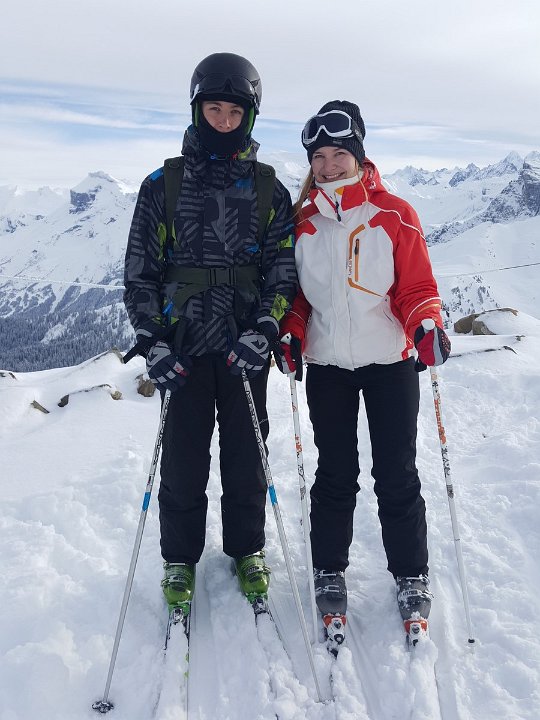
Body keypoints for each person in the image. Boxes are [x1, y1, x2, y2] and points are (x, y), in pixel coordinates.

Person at [123, 53, 298, 617]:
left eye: (234, 112)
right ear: (197, 110)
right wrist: (152, 340)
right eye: (214, 109)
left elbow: (283, 272)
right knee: (182, 459)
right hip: (182, 347)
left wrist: (265, 328)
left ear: (250, 116)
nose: (223, 120)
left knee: (247, 456)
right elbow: (140, 273)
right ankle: (179, 557)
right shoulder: (163, 185)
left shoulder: (270, 191)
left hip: (243, 346)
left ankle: (247, 550)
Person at [276, 100, 450, 644]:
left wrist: (425, 324)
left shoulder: (393, 214)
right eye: (319, 157)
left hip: (390, 363)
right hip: (329, 365)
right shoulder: (302, 222)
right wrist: (292, 330)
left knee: (396, 473)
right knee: (335, 473)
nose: (329, 166)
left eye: (338, 154)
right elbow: (297, 296)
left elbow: (416, 287)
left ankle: (411, 573)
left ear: (358, 154)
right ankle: (329, 569)